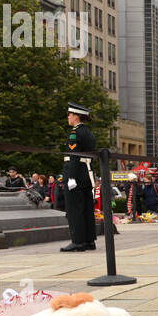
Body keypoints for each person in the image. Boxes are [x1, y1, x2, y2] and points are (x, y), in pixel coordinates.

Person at [60, 103, 97, 253]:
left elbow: (74, 156)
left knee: (75, 209)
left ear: (76, 116)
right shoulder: (88, 133)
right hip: (86, 174)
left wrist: (71, 177)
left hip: (76, 173)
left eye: (69, 115)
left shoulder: (75, 133)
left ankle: (78, 241)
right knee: (86, 208)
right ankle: (89, 240)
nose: (68, 118)